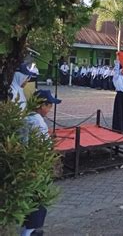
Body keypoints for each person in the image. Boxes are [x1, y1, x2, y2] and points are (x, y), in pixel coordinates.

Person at [20, 89, 61, 236]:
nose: (50, 109)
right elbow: (43, 146)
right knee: (38, 200)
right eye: (49, 105)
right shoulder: (37, 120)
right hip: (35, 163)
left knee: (29, 200)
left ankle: (26, 229)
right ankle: (29, 232)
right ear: (41, 105)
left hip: (26, 161)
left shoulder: (27, 116)